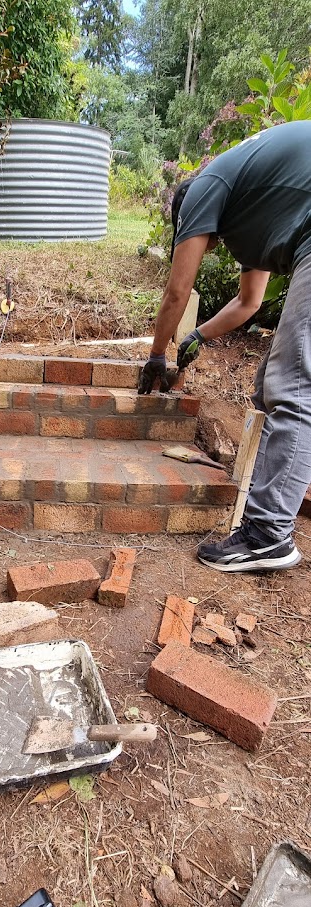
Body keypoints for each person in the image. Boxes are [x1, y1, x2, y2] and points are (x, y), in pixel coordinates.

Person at [138, 120, 311, 573]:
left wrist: (158, 354)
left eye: (202, 236)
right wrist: (197, 336)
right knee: (269, 384)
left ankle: (268, 534)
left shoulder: (200, 190)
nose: (210, 245)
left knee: (292, 387)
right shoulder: (252, 209)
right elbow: (248, 302)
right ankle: (274, 488)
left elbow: (178, 292)